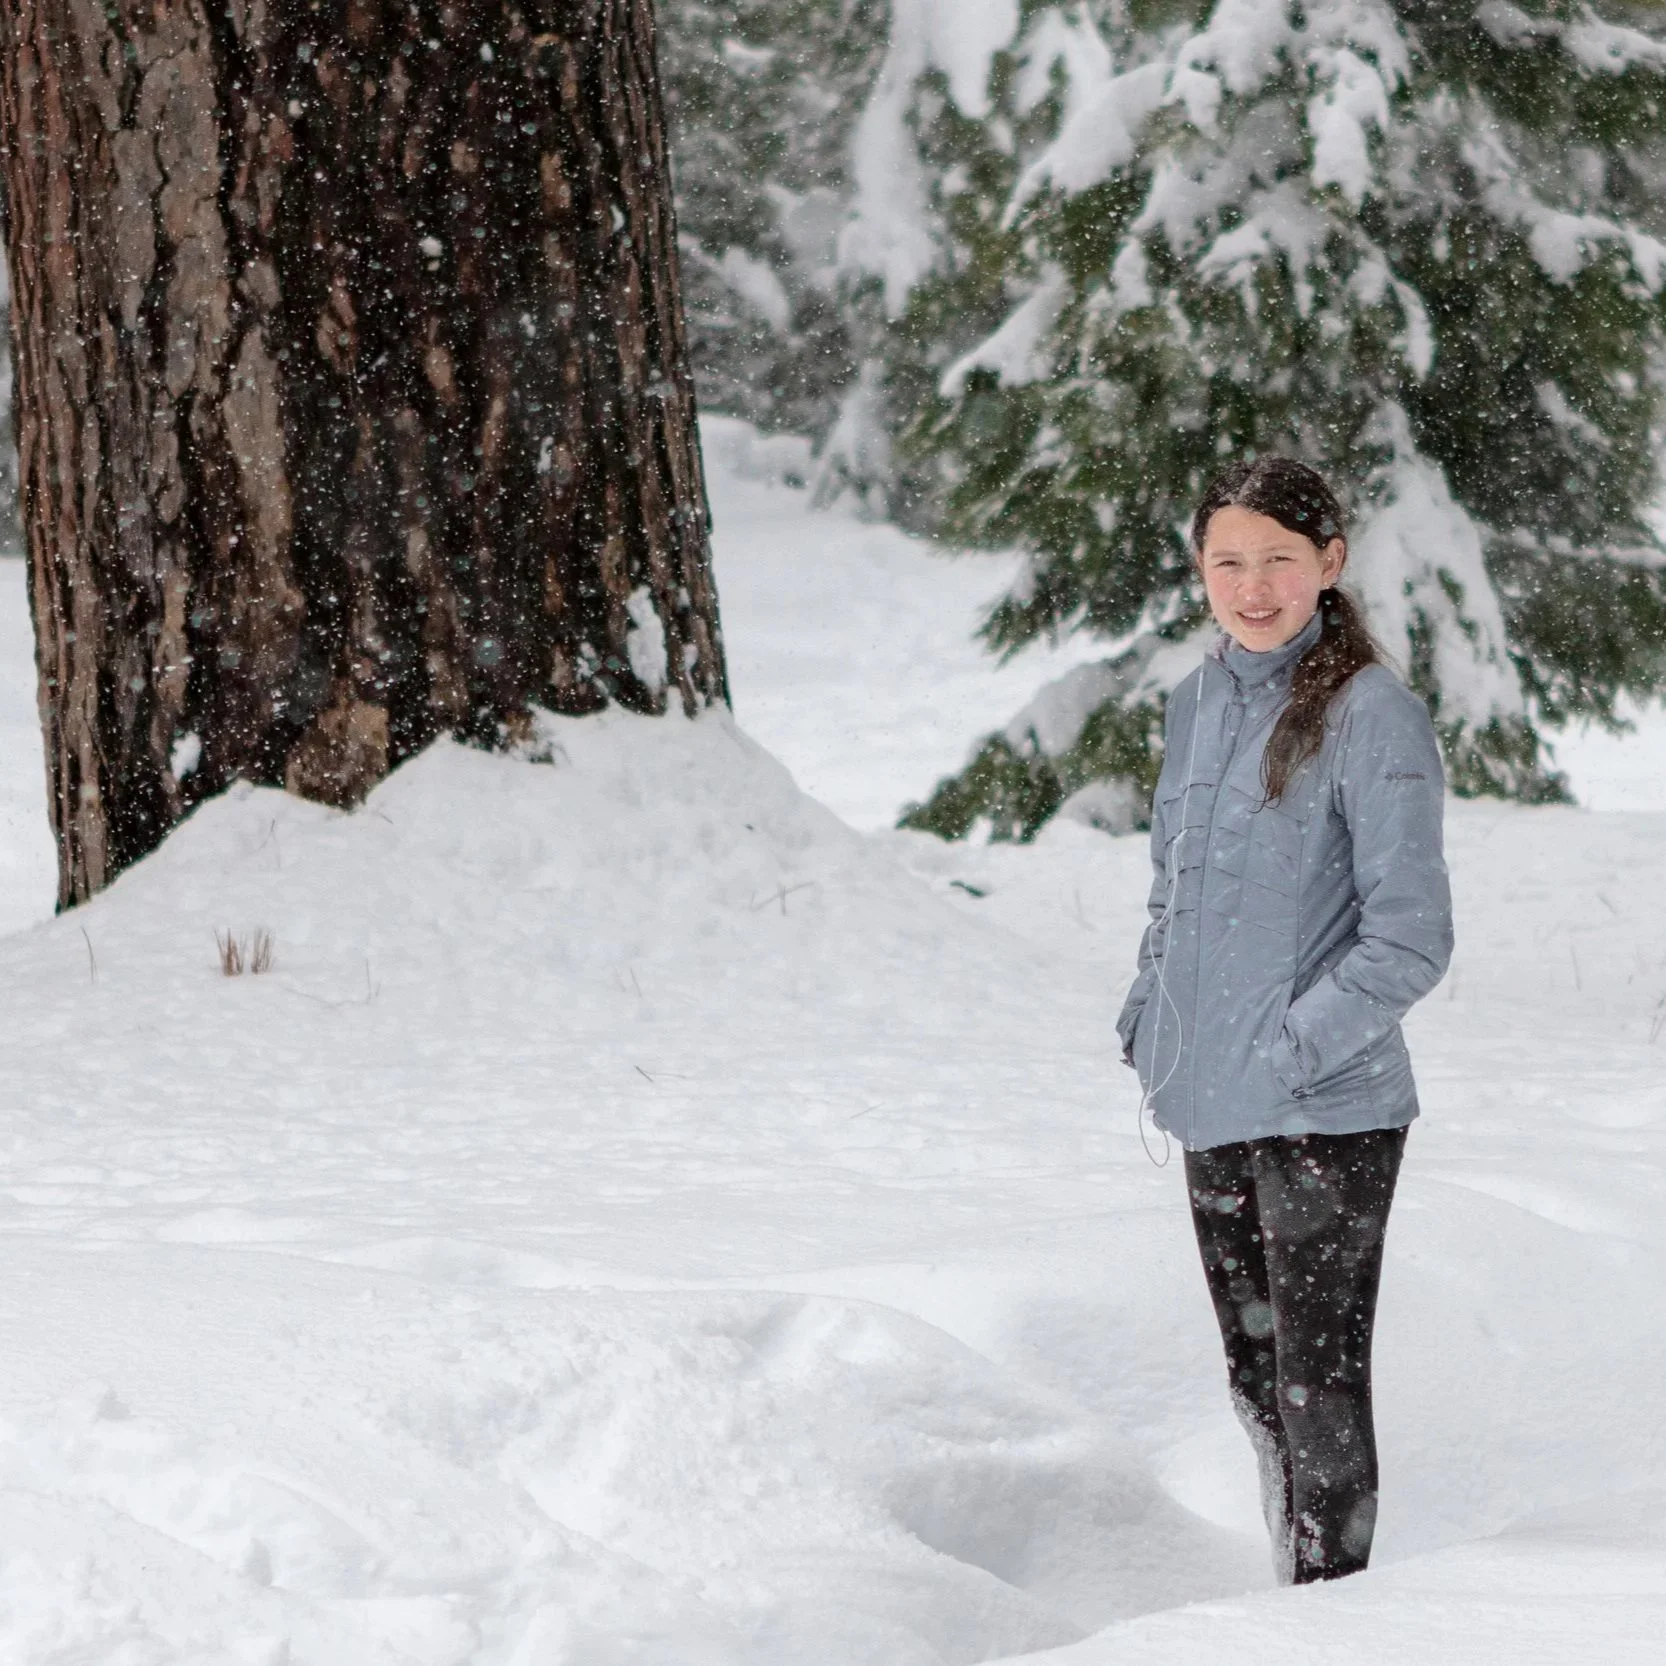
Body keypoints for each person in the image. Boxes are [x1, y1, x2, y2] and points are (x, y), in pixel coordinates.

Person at [1117, 457, 1452, 1585]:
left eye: (1277, 559)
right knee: (1255, 1378)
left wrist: (1289, 1049)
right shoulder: (1197, 701)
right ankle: (1285, 1594)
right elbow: (1176, 886)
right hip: (1210, 1098)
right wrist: (1148, 1016)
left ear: (1328, 564)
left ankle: (1332, 1619)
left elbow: (1408, 937)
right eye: (1227, 561)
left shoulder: (1372, 713)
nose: (1252, 587)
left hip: (1326, 1111)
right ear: (1199, 569)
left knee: (1316, 1385)